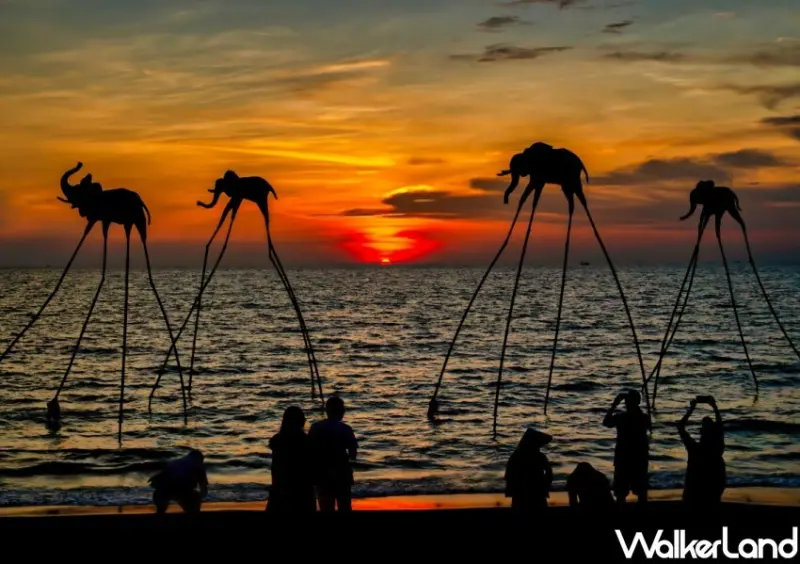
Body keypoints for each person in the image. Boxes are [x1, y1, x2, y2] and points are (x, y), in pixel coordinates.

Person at [308, 396, 358, 512]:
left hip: (322, 473)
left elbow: (310, 451)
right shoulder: (346, 429)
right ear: (341, 411)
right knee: (345, 506)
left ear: (327, 410)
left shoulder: (316, 427)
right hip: (342, 473)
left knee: (326, 507)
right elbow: (353, 453)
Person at [677, 395, 726, 508]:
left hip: (693, 497)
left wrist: (691, 409)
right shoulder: (717, 450)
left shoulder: (695, 449)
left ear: (701, 432)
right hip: (711, 497)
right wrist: (714, 407)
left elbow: (680, 427)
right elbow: (720, 428)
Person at [603, 389, 650, 505]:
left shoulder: (621, 417)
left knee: (620, 494)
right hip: (640, 458)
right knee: (641, 493)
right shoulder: (645, 418)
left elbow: (606, 422)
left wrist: (614, 404)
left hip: (623, 458)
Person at [267, 406, 316, 513]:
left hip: (279, 492)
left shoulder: (277, 441)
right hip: (303, 494)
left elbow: (276, 470)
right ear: (301, 421)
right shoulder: (306, 441)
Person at [504, 427, 553, 512]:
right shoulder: (540, 456)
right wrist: (545, 487)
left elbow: (509, 475)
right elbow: (549, 474)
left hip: (520, 493)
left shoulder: (516, 456)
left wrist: (511, 489)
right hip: (537, 492)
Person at [148, 449, 208, 515]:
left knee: (161, 510)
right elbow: (203, 487)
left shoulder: (176, 462)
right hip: (180, 489)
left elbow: (156, 480)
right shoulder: (198, 465)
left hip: (161, 491)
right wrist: (201, 497)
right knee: (194, 499)